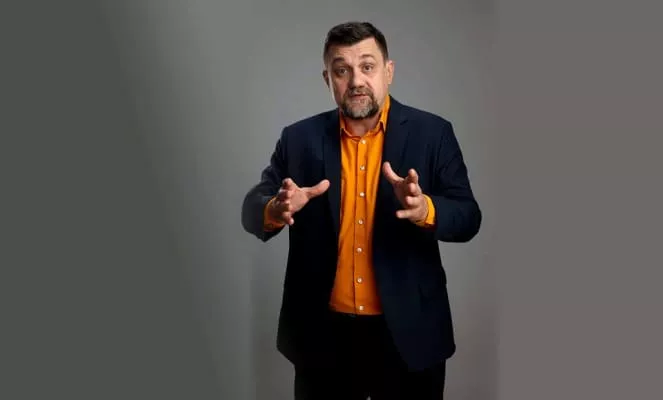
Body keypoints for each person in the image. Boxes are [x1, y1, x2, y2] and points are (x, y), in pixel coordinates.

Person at [241, 21, 482, 400]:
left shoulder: (433, 134)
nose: (356, 80)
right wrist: (276, 207)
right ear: (328, 79)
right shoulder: (298, 139)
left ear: (388, 71)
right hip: (323, 337)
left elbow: (468, 216)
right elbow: (251, 209)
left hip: (409, 335)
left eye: (367, 66)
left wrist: (426, 209)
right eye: (342, 70)